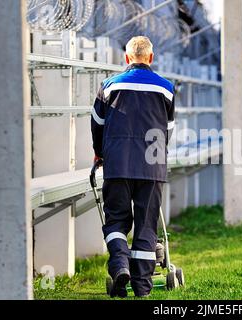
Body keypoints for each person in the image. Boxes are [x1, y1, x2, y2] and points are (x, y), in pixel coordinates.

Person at [91, 36, 175, 298]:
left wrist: (99, 153)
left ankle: (119, 267)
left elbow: (97, 124)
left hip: (117, 162)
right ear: (151, 57)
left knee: (115, 220)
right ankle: (142, 287)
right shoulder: (166, 89)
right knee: (146, 225)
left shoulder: (109, 86)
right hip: (151, 166)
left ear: (127, 58)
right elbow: (168, 129)